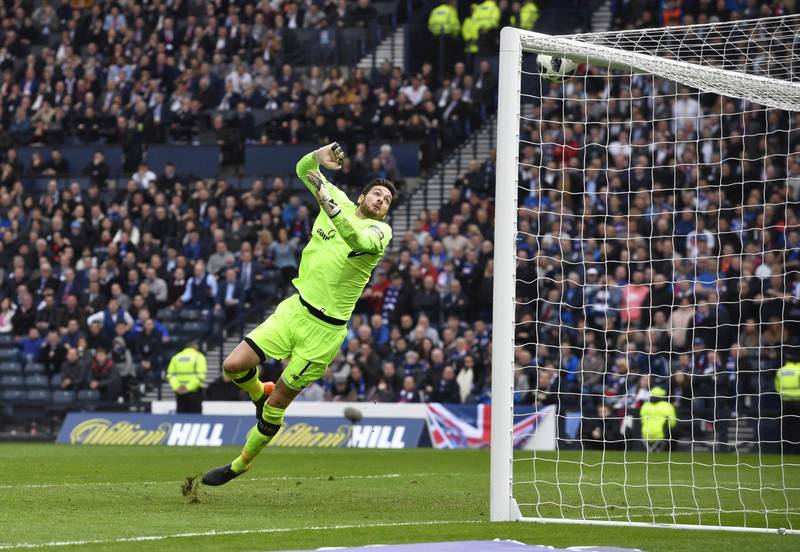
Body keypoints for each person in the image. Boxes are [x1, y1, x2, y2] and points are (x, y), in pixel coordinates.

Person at [202, 142, 396, 485]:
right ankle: (256, 393)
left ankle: (240, 463)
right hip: (295, 309)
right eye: (377, 194)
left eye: (387, 200)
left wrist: (329, 205)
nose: (381, 200)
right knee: (233, 365)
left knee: (279, 403)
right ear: (363, 195)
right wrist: (318, 156)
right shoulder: (336, 198)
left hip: (325, 331)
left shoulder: (380, 232)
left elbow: (357, 242)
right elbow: (303, 169)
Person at [166, 341, 207, 413]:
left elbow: (170, 375)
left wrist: (177, 387)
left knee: (181, 418)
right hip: (194, 392)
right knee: (195, 419)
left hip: (179, 392)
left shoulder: (176, 357)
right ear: (195, 347)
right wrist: (188, 387)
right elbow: (201, 375)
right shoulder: (199, 357)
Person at [775, 350, 800, 454]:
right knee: (797, 428)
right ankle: (796, 450)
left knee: (784, 428)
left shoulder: (781, 371)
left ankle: (784, 450)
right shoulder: (799, 369)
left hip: (784, 402)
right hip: (798, 402)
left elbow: (777, 386)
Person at [639, 387, 677, 451]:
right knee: (674, 432)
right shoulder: (667, 405)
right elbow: (672, 423)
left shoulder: (645, 405)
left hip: (645, 434)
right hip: (661, 435)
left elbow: (641, 420)